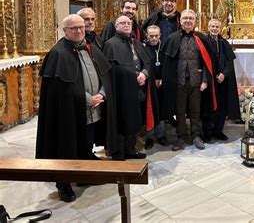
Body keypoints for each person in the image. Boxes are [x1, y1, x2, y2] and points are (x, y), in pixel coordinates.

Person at [36, 15, 116, 203]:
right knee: (66, 144)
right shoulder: (58, 53)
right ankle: (63, 183)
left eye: (81, 27)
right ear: (65, 31)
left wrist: (103, 93)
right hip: (69, 112)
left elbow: (104, 74)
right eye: (74, 28)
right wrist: (88, 99)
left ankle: (84, 171)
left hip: (93, 108)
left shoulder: (90, 47)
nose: (79, 31)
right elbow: (61, 89)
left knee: (86, 139)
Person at [160, 10, 216, 151]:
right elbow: (167, 62)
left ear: (195, 21)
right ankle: (181, 137)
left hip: (196, 82)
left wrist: (204, 80)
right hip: (178, 82)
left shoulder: (201, 38)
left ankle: (196, 135)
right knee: (179, 111)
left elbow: (206, 63)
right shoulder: (172, 38)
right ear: (181, 20)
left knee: (195, 110)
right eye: (185, 18)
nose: (188, 21)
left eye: (191, 18)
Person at [103, 16, 155, 160]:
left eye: (128, 23)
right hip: (121, 91)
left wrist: (144, 74)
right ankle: (119, 152)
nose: (126, 25)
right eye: (122, 23)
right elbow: (112, 69)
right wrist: (134, 75)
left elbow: (147, 63)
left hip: (137, 90)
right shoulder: (110, 44)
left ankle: (130, 149)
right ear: (116, 26)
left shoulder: (137, 43)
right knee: (121, 120)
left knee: (134, 120)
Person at [202, 19, 240, 142]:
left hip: (221, 81)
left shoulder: (224, 42)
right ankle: (207, 132)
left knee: (221, 106)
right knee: (208, 106)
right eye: (212, 26)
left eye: (217, 26)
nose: (214, 28)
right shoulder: (203, 42)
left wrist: (224, 74)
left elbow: (230, 62)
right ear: (208, 27)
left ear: (220, 28)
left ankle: (218, 130)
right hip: (209, 79)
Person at [143, 25, 170, 149]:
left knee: (162, 110)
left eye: (156, 36)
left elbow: (169, 65)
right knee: (150, 110)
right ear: (147, 36)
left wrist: (163, 79)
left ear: (160, 35)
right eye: (151, 36)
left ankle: (161, 135)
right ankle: (149, 137)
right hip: (149, 85)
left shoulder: (165, 47)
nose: (153, 38)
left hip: (163, 84)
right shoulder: (142, 48)